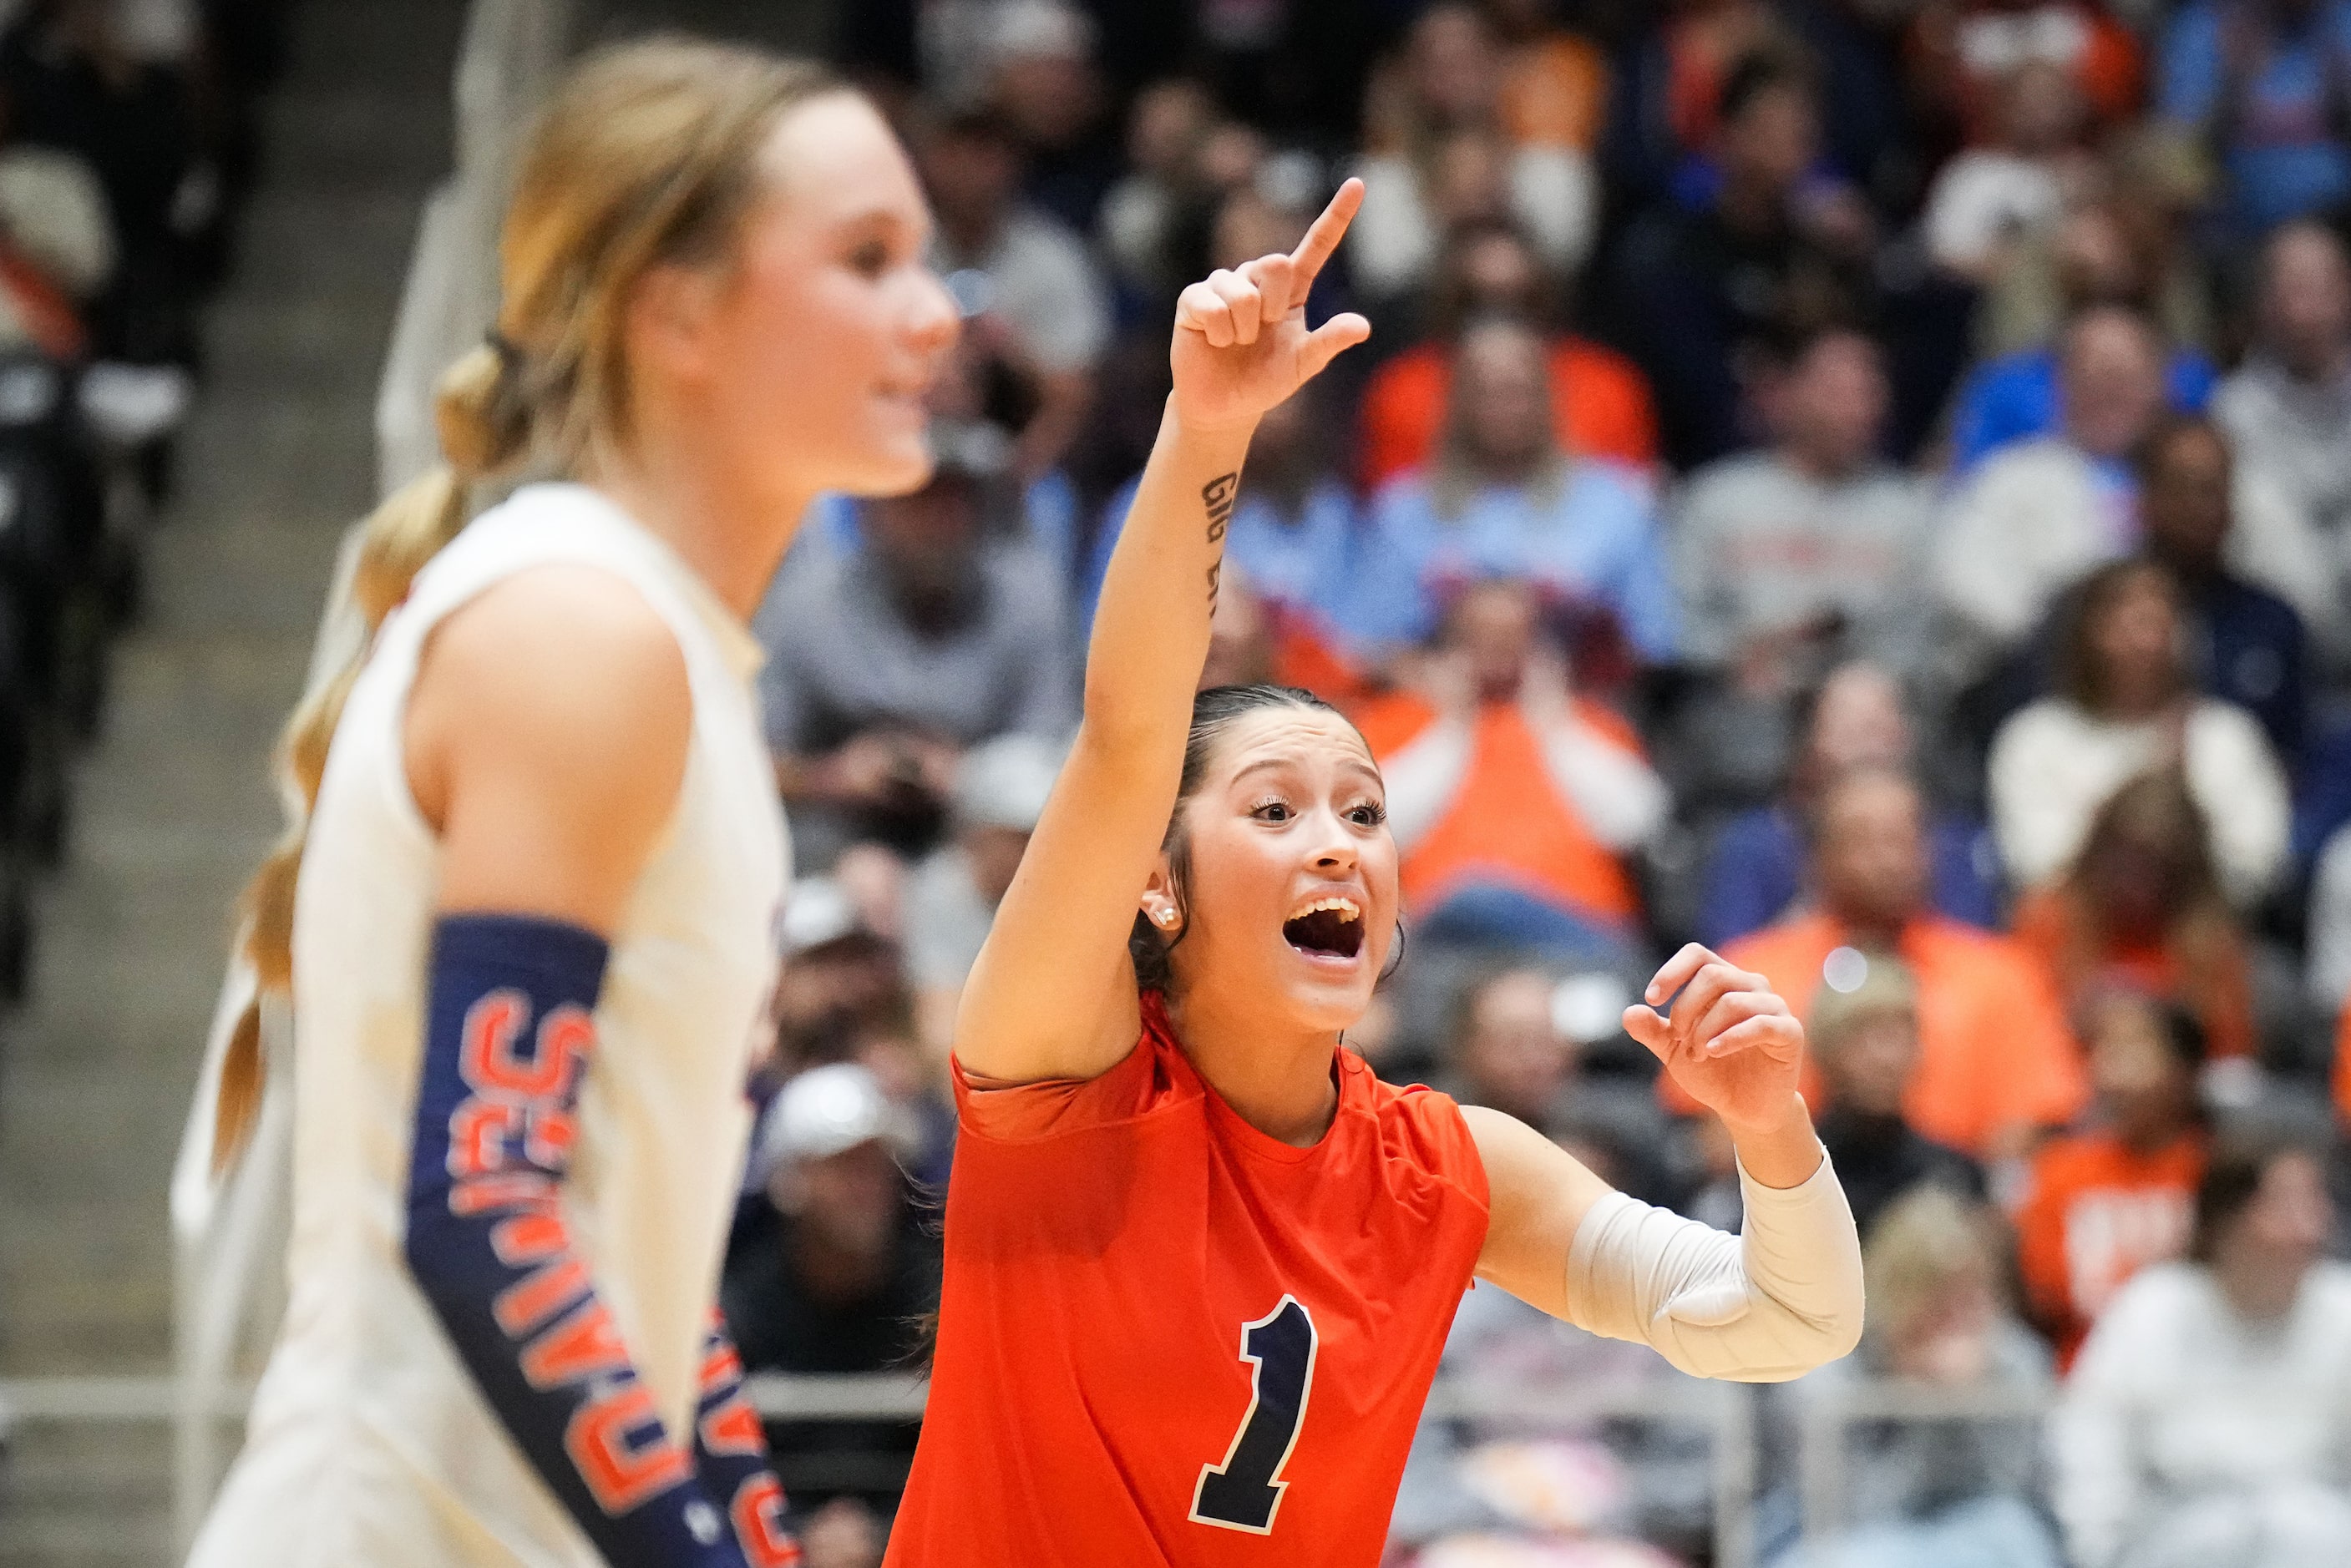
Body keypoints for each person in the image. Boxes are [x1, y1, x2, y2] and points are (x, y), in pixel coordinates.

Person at [882, 180, 1863, 1565]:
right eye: (1275, 808)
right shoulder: (1059, 1073)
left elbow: (1795, 1320)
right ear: (1152, 887)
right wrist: (1206, 428)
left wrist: (1770, 1132)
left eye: (1364, 809)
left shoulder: (1447, 1167)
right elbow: (1124, 745)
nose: (1338, 839)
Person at [188, 41, 960, 1568]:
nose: (934, 314)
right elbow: (481, 1197)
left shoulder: (662, 646)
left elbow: (641, 1281)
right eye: (867, 259)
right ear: (677, 308)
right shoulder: (580, 630)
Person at [1668, 767, 2086, 1160]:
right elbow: (1710, 1136)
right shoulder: (1749, 976)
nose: (1887, 860)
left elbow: (2029, 1132)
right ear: (1816, 858)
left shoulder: (2002, 977)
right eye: (1863, 841)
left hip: (1948, 1202)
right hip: (1788, 1203)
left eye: (1901, 840)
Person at [757, 421, 1077, 866]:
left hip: (979, 843)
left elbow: (1056, 756)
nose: (936, 520)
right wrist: (834, 776)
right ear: (870, 511)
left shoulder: (1027, 600)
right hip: (836, 843)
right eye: (915, 499)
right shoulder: (807, 603)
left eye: (953, 499)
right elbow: (753, 763)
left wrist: (968, 775)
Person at [2050, 1127, 2351, 1568]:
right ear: (2224, 1218)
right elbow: (2090, 1437)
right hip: (2178, 1530)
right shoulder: (2152, 1307)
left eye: (2315, 1203)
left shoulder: (2343, 1309)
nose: (2308, 1227)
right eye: (2286, 1206)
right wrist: (2097, 1547)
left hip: (2321, 1531)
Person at [1670, 324, 1934, 802]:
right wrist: (1734, 655)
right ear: (1787, 394)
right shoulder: (1718, 498)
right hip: (1742, 705)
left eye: (1867, 393)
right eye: (1836, 392)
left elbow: (1926, 636)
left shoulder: (1911, 511)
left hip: (1868, 713)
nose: (1855, 409)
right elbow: (1672, 621)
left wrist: (1859, 678)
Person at [1353, 577, 1670, 963]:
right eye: (1481, 636)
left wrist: (1554, 725)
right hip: (1445, 939)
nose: (1498, 650)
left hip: (1580, 929)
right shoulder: (1397, 723)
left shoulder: (1587, 724)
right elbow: (1375, 830)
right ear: (1451, 645)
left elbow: (1637, 823)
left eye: (1513, 636)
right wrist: (1452, 726)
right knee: (1476, 898)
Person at [1347, 316, 1680, 669]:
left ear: (1547, 395)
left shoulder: (1613, 504)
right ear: (1457, 401)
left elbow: (1651, 644)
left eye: (1517, 390)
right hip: (1440, 703)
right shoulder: (1404, 508)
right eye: (1486, 391)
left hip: (1581, 702)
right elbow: (1374, 645)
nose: (1503, 407)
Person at [1770, 1186, 2060, 1568]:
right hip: (1866, 1536)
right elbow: (1841, 1513)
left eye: (1968, 1297)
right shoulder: (1831, 1369)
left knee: (2015, 1536)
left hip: (1984, 1533)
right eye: (1935, 1302)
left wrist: (1958, 1403)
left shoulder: (2017, 1362)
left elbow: (2017, 1492)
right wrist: (1920, 1399)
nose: (1954, 1321)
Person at [1987, 559, 2290, 907]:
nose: (2149, 637)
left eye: (2162, 618)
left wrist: (2183, 828)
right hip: (2071, 943)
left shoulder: (2225, 736)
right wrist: (2125, 827)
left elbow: (2259, 866)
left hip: (2199, 942)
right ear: (2090, 630)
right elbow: (2034, 867)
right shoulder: (2036, 739)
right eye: (2132, 618)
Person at [1695, 662, 2001, 948]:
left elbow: (1975, 953)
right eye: (1850, 729)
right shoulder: (1755, 845)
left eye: (1880, 726)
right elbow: (1730, 960)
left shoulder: (1948, 841)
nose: (1869, 747)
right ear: (1809, 742)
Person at [1934, 305, 2170, 670]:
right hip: (2042, 676)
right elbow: (1966, 586)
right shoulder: (2007, 478)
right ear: (2062, 384)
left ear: (2160, 385)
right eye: (2095, 375)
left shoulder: (2191, 480)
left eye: (2125, 377)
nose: (2111, 392)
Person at [1355, 217, 1659, 489]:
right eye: (1477, 302)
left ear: (1547, 299)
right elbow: (1390, 514)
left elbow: (1633, 504)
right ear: (1446, 304)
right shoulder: (1398, 393)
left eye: (1520, 301)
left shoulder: (1609, 386)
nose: (1499, 320)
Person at [2013, 989, 2208, 1370]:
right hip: (2085, 1381)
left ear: (2185, 1070)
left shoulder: (2216, 1172)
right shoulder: (2059, 1171)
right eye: (2103, 1052)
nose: (2112, 1072)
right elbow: (2043, 1297)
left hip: (2197, 1379)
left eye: (2133, 1050)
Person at [2010, 772, 2260, 1063]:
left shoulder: (2211, 946)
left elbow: (2229, 1058)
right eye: (2124, 863)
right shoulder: (2048, 920)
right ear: (2097, 851)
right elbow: (2018, 1036)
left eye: (2158, 870)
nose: (2136, 885)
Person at [2136, 416, 2316, 766]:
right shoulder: (2092, 615)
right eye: (2182, 487)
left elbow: (2297, 757)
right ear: (2145, 501)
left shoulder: (2273, 622)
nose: (2201, 508)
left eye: (2214, 489)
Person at [905, 733, 1063, 1067]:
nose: (1036, 849)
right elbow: (941, 1028)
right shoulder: (944, 891)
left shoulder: (1070, 889)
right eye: (1017, 837)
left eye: (1046, 832)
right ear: (975, 834)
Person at [1805, 959, 1984, 1243]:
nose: (1884, 1058)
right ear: (1825, 1049)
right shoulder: (1792, 1174)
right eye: (1861, 1034)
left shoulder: (1953, 1175)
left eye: (1898, 1035)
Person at [2160, 0, 2351, 235]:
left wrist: (2342, 88)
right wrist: (2233, 84)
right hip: (2234, 229)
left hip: (2338, 225)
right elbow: (2176, 154)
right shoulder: (2208, 25)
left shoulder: (2342, 22)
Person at [2213, 220, 2351, 544]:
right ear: (2264, 302)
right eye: (2292, 290)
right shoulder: (2233, 410)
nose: (2305, 312)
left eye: (2320, 289)